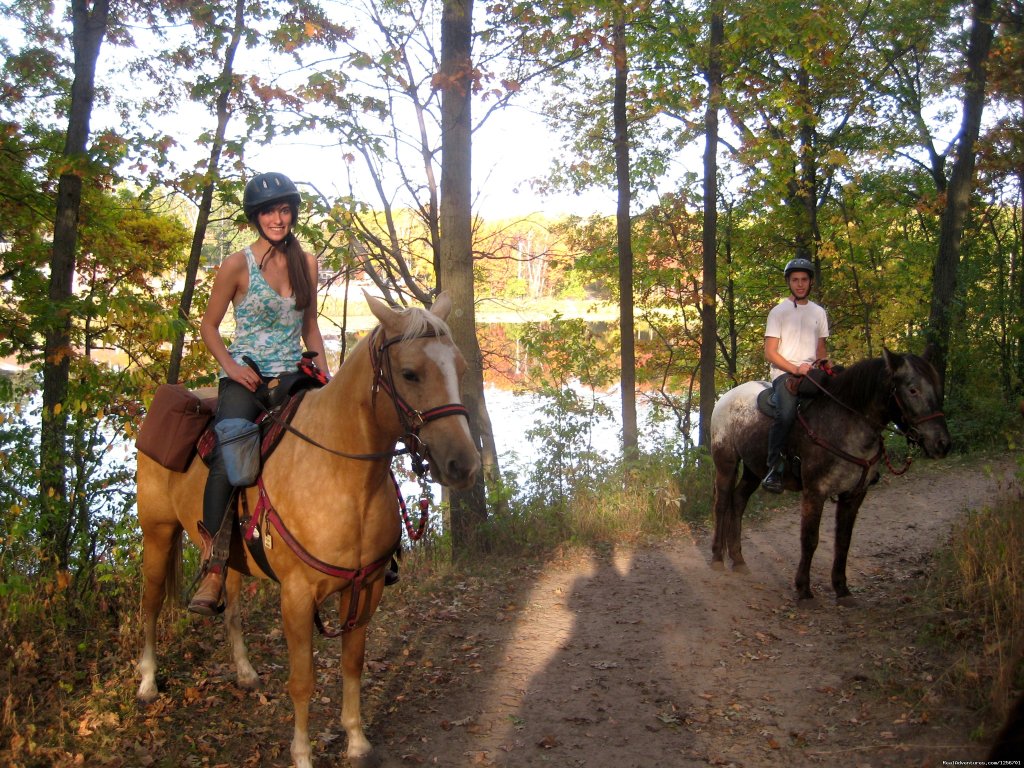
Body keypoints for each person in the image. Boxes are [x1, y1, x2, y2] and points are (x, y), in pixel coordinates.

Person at [189, 171, 330, 615]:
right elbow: (209, 327)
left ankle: (349, 547)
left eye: (285, 209)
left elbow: (310, 329)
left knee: (335, 439)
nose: (278, 217)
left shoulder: (307, 263)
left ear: (293, 214)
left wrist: (327, 376)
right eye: (269, 211)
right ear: (257, 217)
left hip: (292, 375)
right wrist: (230, 367)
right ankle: (213, 569)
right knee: (230, 451)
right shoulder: (236, 265)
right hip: (245, 375)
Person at [761, 257, 829, 494]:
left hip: (812, 373)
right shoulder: (778, 312)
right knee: (786, 413)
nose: (800, 284)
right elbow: (770, 353)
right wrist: (794, 368)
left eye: (804, 280)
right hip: (785, 375)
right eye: (795, 280)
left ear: (811, 282)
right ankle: (774, 469)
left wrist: (826, 363)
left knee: (838, 402)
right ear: (789, 283)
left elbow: (820, 349)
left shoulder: (819, 312)